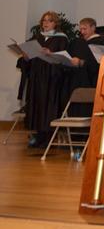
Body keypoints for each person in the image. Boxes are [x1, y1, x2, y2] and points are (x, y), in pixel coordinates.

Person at [21, 11, 70, 148]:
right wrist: (26, 56)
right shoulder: (37, 37)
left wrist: (51, 53)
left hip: (52, 77)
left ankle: (48, 137)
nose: (46, 23)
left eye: (49, 20)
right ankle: (38, 136)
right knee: (36, 104)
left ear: (55, 23)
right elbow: (29, 58)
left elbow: (64, 59)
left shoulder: (62, 39)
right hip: (37, 76)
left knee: (48, 105)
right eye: (44, 20)